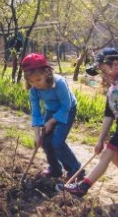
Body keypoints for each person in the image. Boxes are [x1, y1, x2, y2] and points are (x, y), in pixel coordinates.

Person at [56, 48, 118, 198]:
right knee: (114, 156)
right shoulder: (112, 90)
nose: (102, 74)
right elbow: (109, 116)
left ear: (115, 64)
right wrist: (100, 140)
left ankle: (82, 187)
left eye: (103, 69)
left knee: (107, 154)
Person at [21, 53, 84, 181]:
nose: (35, 84)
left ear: (47, 73)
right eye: (31, 81)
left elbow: (66, 105)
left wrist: (51, 121)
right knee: (44, 141)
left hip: (68, 110)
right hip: (51, 111)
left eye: (38, 80)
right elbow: (36, 113)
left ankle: (75, 170)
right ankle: (55, 169)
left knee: (57, 142)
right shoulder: (34, 91)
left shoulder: (59, 83)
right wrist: (37, 135)